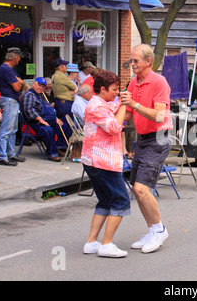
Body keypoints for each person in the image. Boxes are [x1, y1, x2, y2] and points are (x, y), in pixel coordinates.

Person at [120, 44, 172, 254]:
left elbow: (159, 115)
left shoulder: (159, 82)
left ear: (148, 61)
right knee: (136, 189)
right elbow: (127, 113)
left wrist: (134, 104)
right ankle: (152, 230)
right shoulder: (134, 82)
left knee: (142, 189)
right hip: (142, 139)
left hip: (158, 139)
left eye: (135, 61)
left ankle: (160, 230)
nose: (132, 64)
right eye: (131, 61)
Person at [81, 70, 130, 258]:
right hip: (102, 161)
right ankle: (106, 244)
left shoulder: (101, 103)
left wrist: (121, 102)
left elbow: (114, 108)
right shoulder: (96, 106)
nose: (116, 93)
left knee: (105, 201)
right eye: (114, 90)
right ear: (102, 89)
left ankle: (92, 242)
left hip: (96, 161)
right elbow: (114, 127)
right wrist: (125, 104)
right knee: (120, 201)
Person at [20, 77, 65, 162]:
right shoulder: (29, 95)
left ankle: (58, 147)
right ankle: (52, 153)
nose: (41, 88)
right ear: (34, 84)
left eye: (43, 87)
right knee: (48, 130)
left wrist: (55, 118)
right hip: (35, 122)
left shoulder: (41, 95)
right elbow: (29, 111)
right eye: (39, 85)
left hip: (46, 119)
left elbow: (48, 109)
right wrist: (41, 120)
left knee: (63, 126)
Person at [0, 47, 26, 166]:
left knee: (13, 129)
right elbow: (17, 87)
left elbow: (17, 84)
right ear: (15, 57)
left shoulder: (10, 69)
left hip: (11, 100)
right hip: (8, 99)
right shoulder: (6, 69)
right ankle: (1, 156)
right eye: (19, 58)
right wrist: (21, 82)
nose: (19, 60)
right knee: (6, 129)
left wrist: (19, 82)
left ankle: (10, 153)